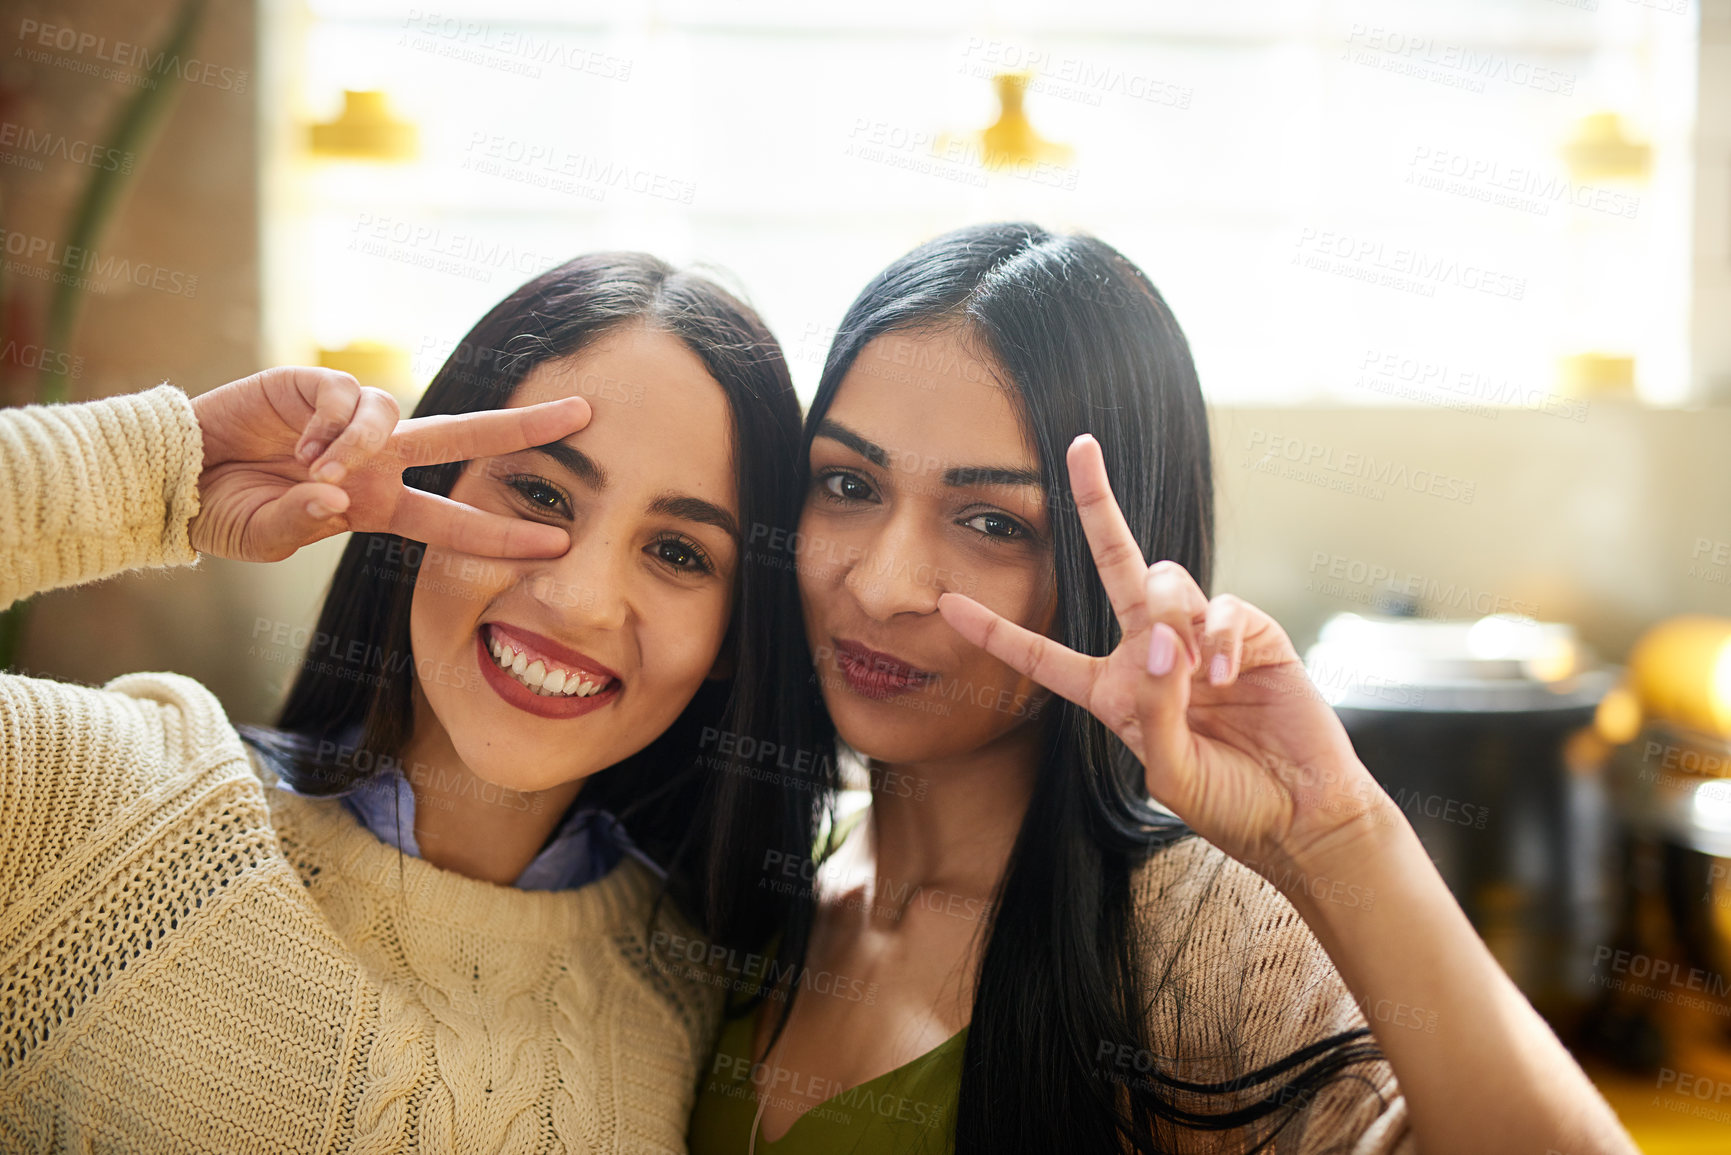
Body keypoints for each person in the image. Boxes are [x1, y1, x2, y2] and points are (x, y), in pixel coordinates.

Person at [688, 223, 1638, 1154]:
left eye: (990, 521)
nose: (883, 587)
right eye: (849, 486)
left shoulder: (1194, 944)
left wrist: (1338, 833)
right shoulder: (746, 871)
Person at [0, 253, 810, 1152]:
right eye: (539, 491)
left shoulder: (692, 986)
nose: (579, 600)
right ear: (427, 491)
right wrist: (165, 475)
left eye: (680, 553)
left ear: (735, 639)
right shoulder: (104, 802)